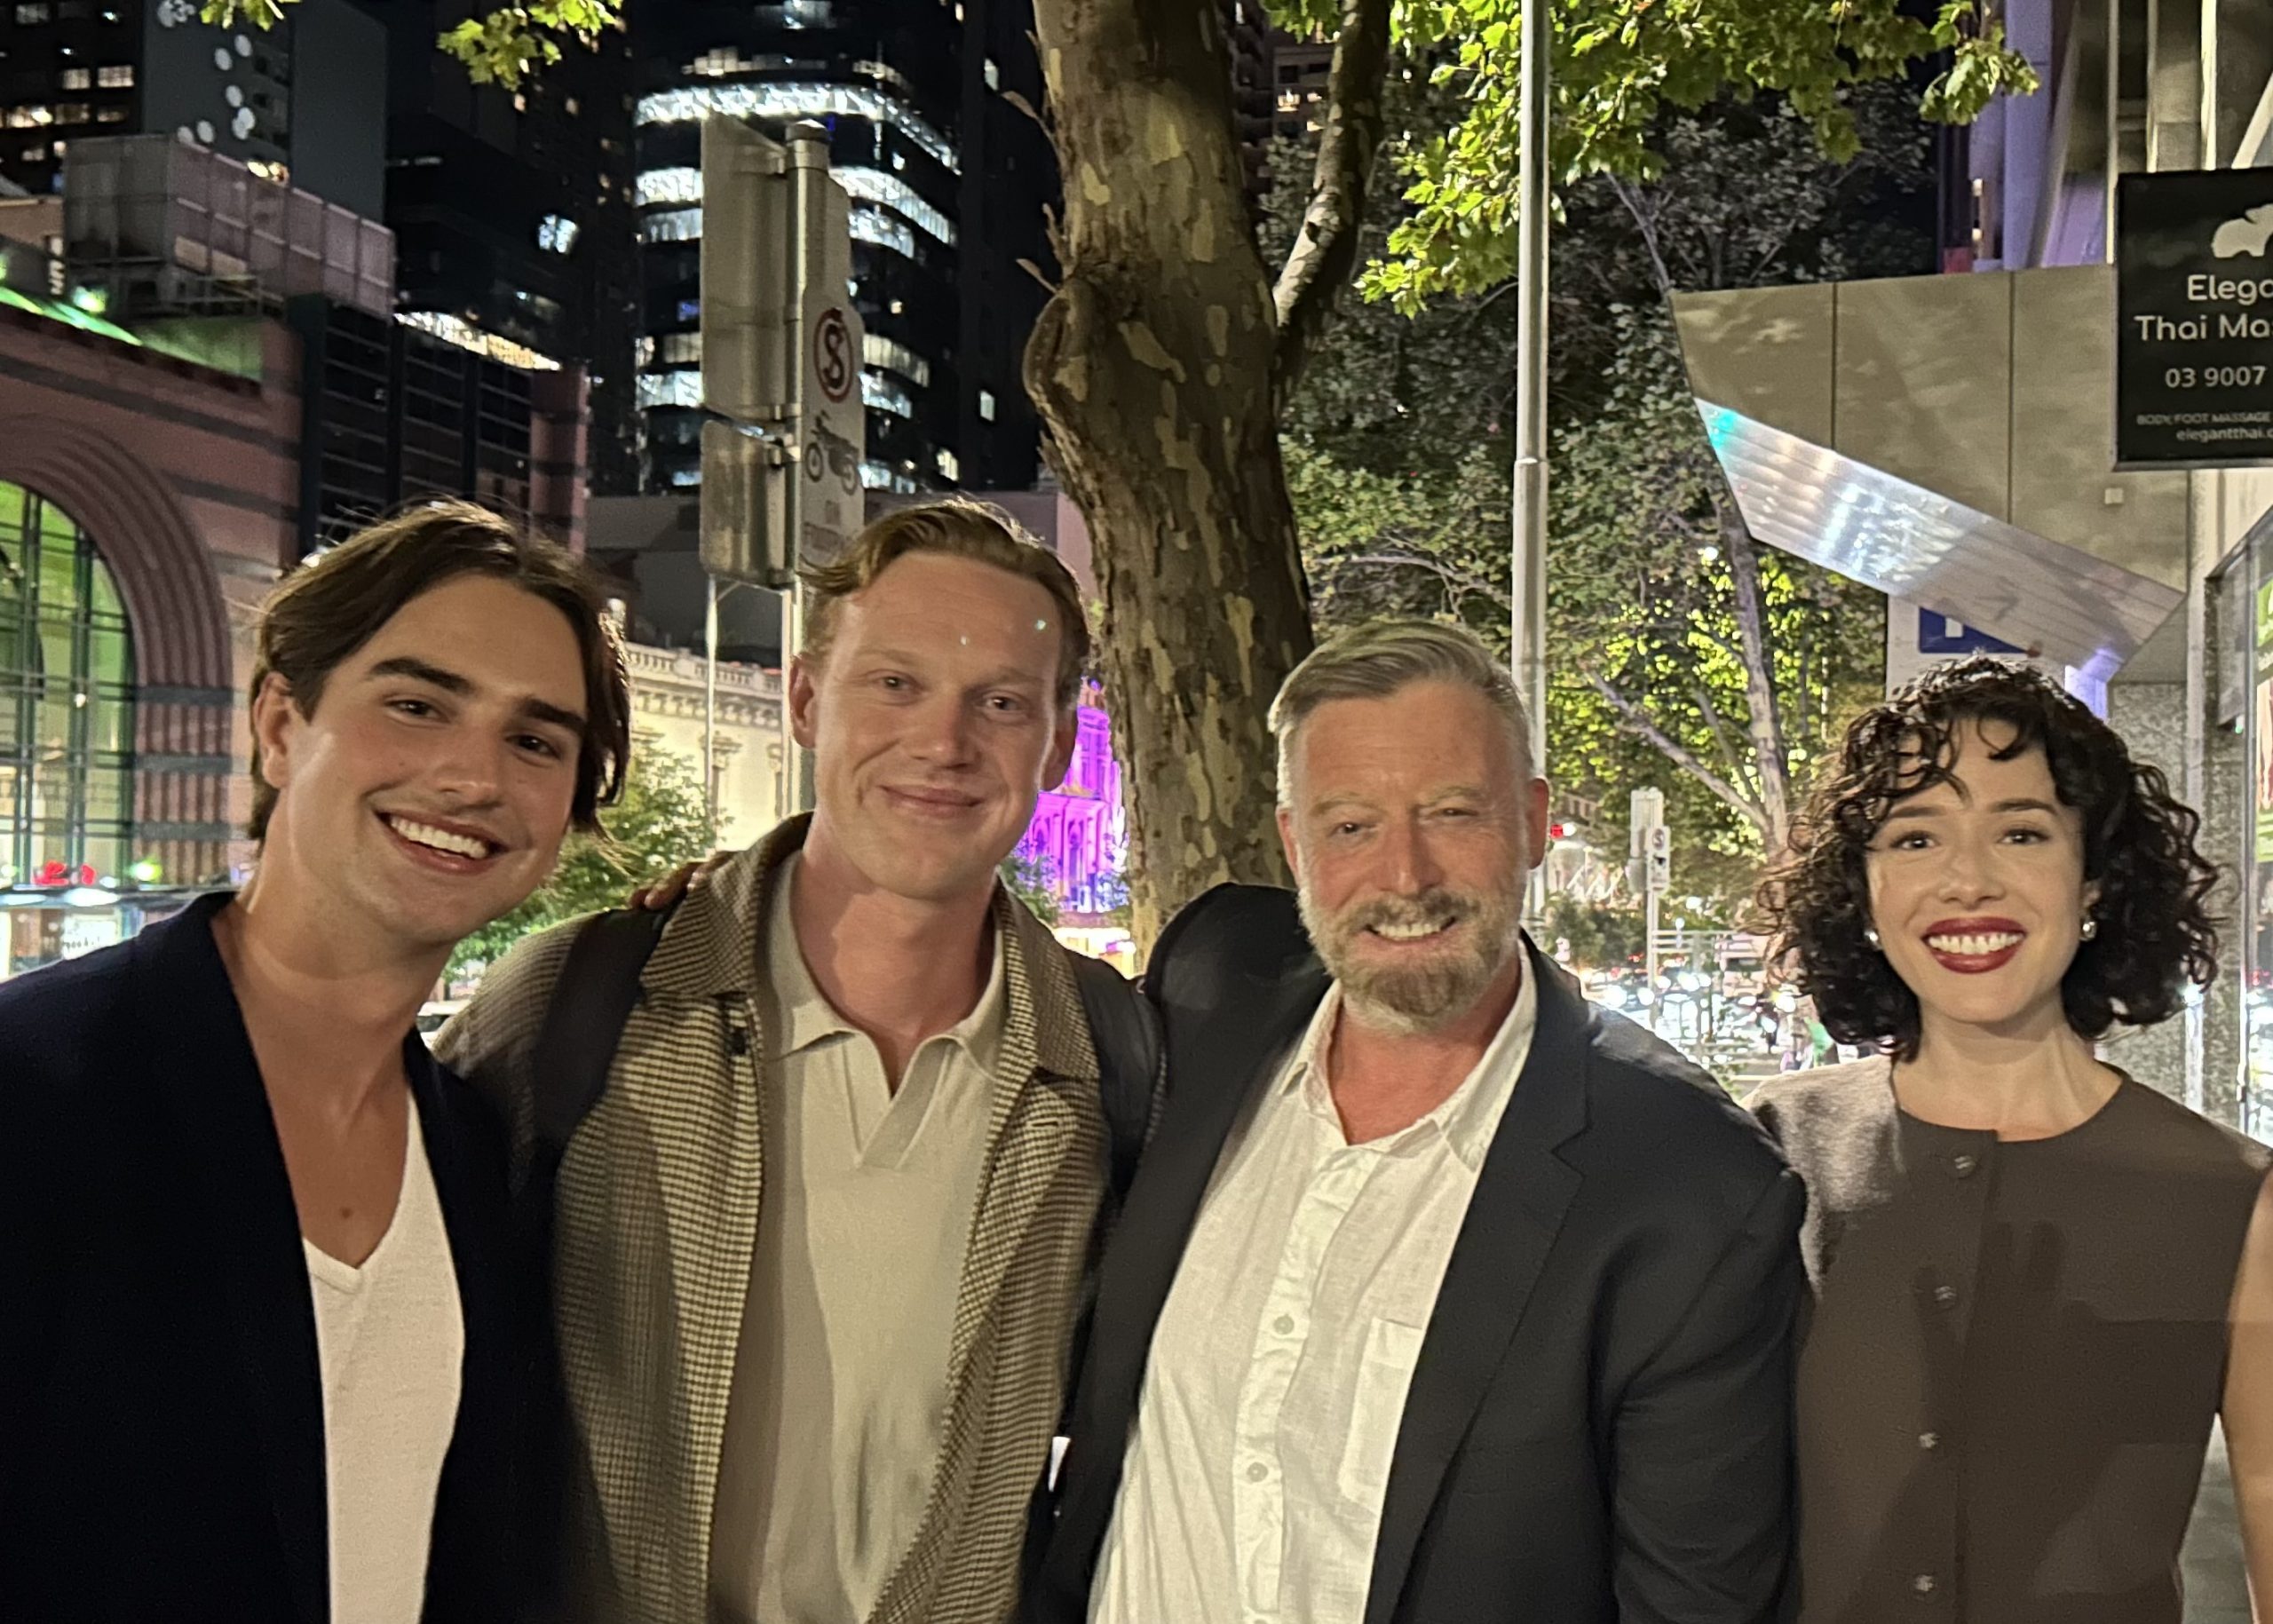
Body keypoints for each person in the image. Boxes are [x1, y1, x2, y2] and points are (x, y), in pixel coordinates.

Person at [438, 500, 1152, 1624]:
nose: (943, 743)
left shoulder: (1107, 1067)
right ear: (807, 698)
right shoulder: (583, 1006)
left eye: (1003, 702)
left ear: (1059, 745)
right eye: (895, 684)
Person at [1028, 619, 1807, 1624]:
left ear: (1529, 822)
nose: (1404, 875)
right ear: (1293, 842)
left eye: (1451, 811)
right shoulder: (1210, 998)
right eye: (1350, 824)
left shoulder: (1690, 1189)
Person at [0, 501, 634, 1623]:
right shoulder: (39, 1087)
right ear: (281, 723)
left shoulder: (479, 1147)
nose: (472, 776)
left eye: (535, 740)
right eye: (417, 704)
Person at [1747, 655, 2273, 1624]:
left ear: (2098, 880)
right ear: (1862, 897)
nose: (1965, 879)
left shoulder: (2235, 1199)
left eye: (2021, 830)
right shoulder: (1770, 1149)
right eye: (1914, 837)